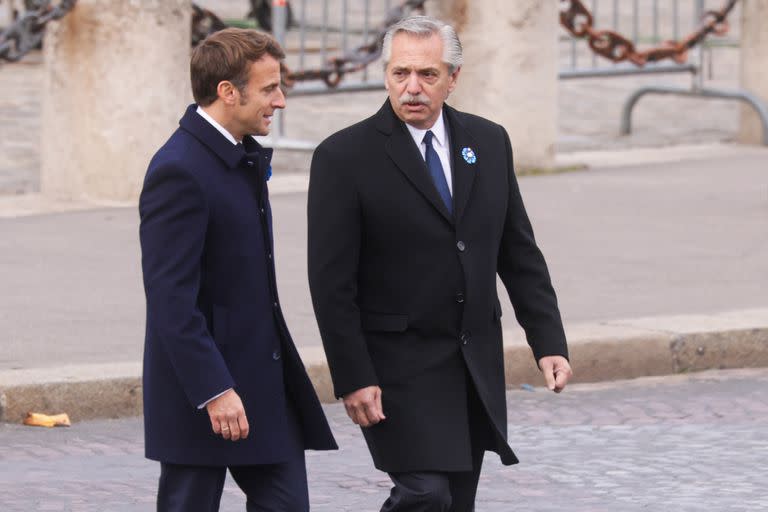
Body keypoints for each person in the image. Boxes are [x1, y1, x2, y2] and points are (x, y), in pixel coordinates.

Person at [308, 15, 572, 512]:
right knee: (425, 494)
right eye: (400, 73)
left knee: (456, 501)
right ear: (386, 74)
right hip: (395, 370)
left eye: (428, 75)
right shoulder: (343, 157)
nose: (412, 88)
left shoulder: (488, 143)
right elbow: (330, 285)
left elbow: (518, 254)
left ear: (453, 78)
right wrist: (352, 375)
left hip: (472, 364)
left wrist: (548, 342)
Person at [139, 28, 337, 512]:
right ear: (228, 92)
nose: (281, 100)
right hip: (203, 392)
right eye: (270, 88)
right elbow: (170, 299)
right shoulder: (179, 170)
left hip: (263, 386)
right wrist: (214, 390)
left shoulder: (237, 153)